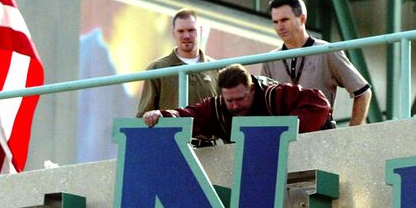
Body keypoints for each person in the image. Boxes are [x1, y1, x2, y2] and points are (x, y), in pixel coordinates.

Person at [142, 63, 332, 143]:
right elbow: (188, 115)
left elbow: (319, 103)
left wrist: (282, 134)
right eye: (229, 100)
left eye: (240, 99)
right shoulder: (216, 107)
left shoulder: (274, 95)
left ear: (251, 89)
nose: (234, 106)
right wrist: (162, 115)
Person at [260, 0, 372, 127]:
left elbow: (363, 92)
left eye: (284, 20)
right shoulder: (270, 59)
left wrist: (352, 132)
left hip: (320, 133)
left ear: (302, 19)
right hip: (282, 135)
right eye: (275, 22)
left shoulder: (326, 51)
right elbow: (263, 105)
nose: (279, 27)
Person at [136, 8, 219, 143]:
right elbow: (143, 118)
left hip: (209, 150)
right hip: (170, 147)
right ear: (173, 33)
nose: (186, 36)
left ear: (201, 31)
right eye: (181, 31)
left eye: (191, 30)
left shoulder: (216, 68)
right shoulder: (157, 69)